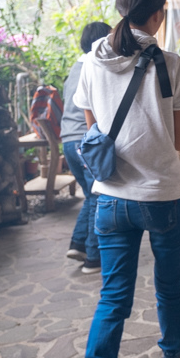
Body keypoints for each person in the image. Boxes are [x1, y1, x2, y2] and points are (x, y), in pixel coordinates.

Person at [73, 0, 180, 358]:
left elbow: (94, 131)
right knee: (170, 287)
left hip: (109, 200)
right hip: (164, 196)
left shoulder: (93, 62)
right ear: (159, 13)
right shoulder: (173, 64)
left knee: (113, 296)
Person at [62, 21, 112, 274]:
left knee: (90, 195)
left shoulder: (75, 67)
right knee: (97, 195)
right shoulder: (95, 67)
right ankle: (93, 257)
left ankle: (78, 243)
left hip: (67, 141)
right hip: (85, 141)